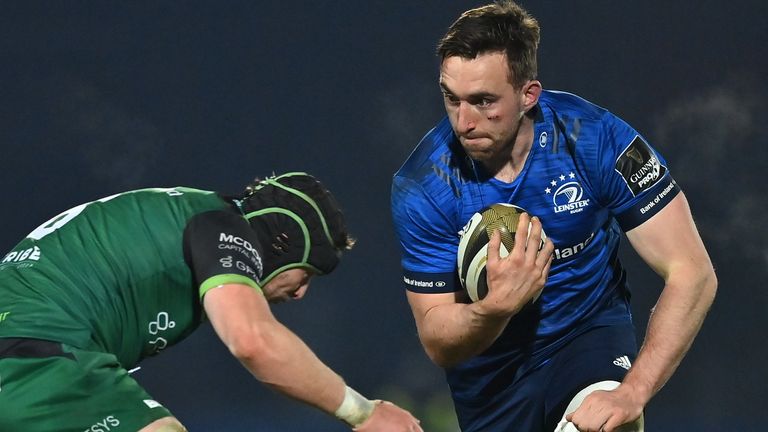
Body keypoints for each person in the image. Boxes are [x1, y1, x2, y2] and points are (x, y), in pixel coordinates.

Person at [390, 2, 717, 431]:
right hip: (493, 375)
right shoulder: (423, 186)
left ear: (529, 95)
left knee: (606, 426)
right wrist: (495, 308)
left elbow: (692, 272)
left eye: (484, 101)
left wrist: (632, 392)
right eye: (452, 98)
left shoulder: (597, 140)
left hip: (588, 336)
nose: (464, 122)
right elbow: (438, 341)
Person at [0, 172, 423, 432]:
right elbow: (252, 341)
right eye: (306, 274)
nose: (300, 293)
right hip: (36, 361)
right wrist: (364, 414)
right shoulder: (224, 230)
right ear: (279, 246)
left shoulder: (185, 215)